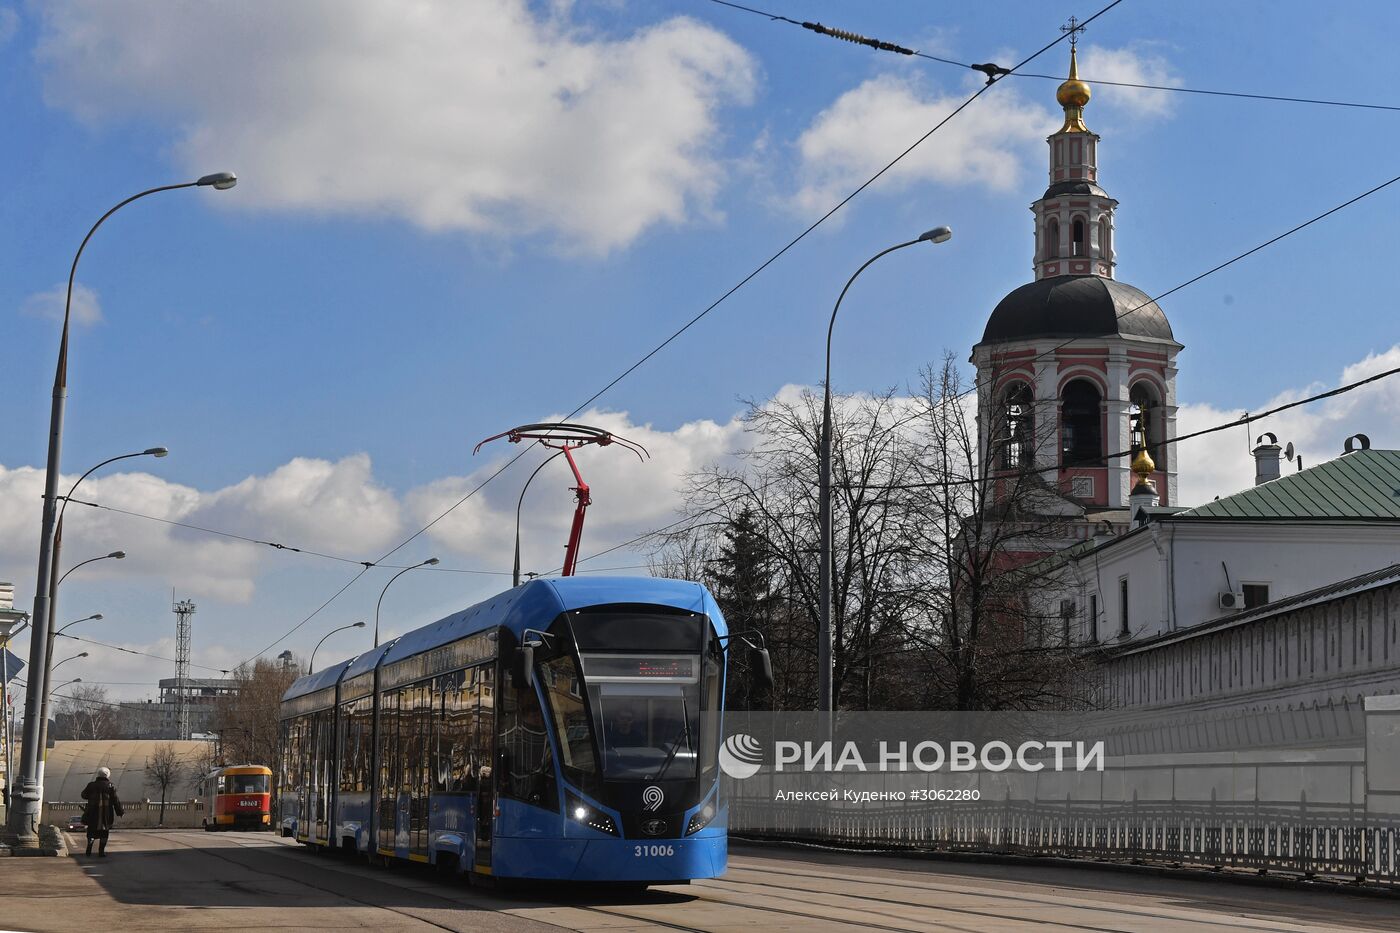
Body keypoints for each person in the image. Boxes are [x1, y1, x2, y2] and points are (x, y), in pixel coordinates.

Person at [80, 766, 123, 857]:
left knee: (91, 830)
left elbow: (83, 795)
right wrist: (119, 811)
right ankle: (101, 851)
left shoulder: (91, 785)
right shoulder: (110, 786)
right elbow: (115, 800)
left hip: (92, 812)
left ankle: (90, 844)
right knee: (104, 832)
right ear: (107, 775)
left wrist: (91, 797)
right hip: (106, 813)